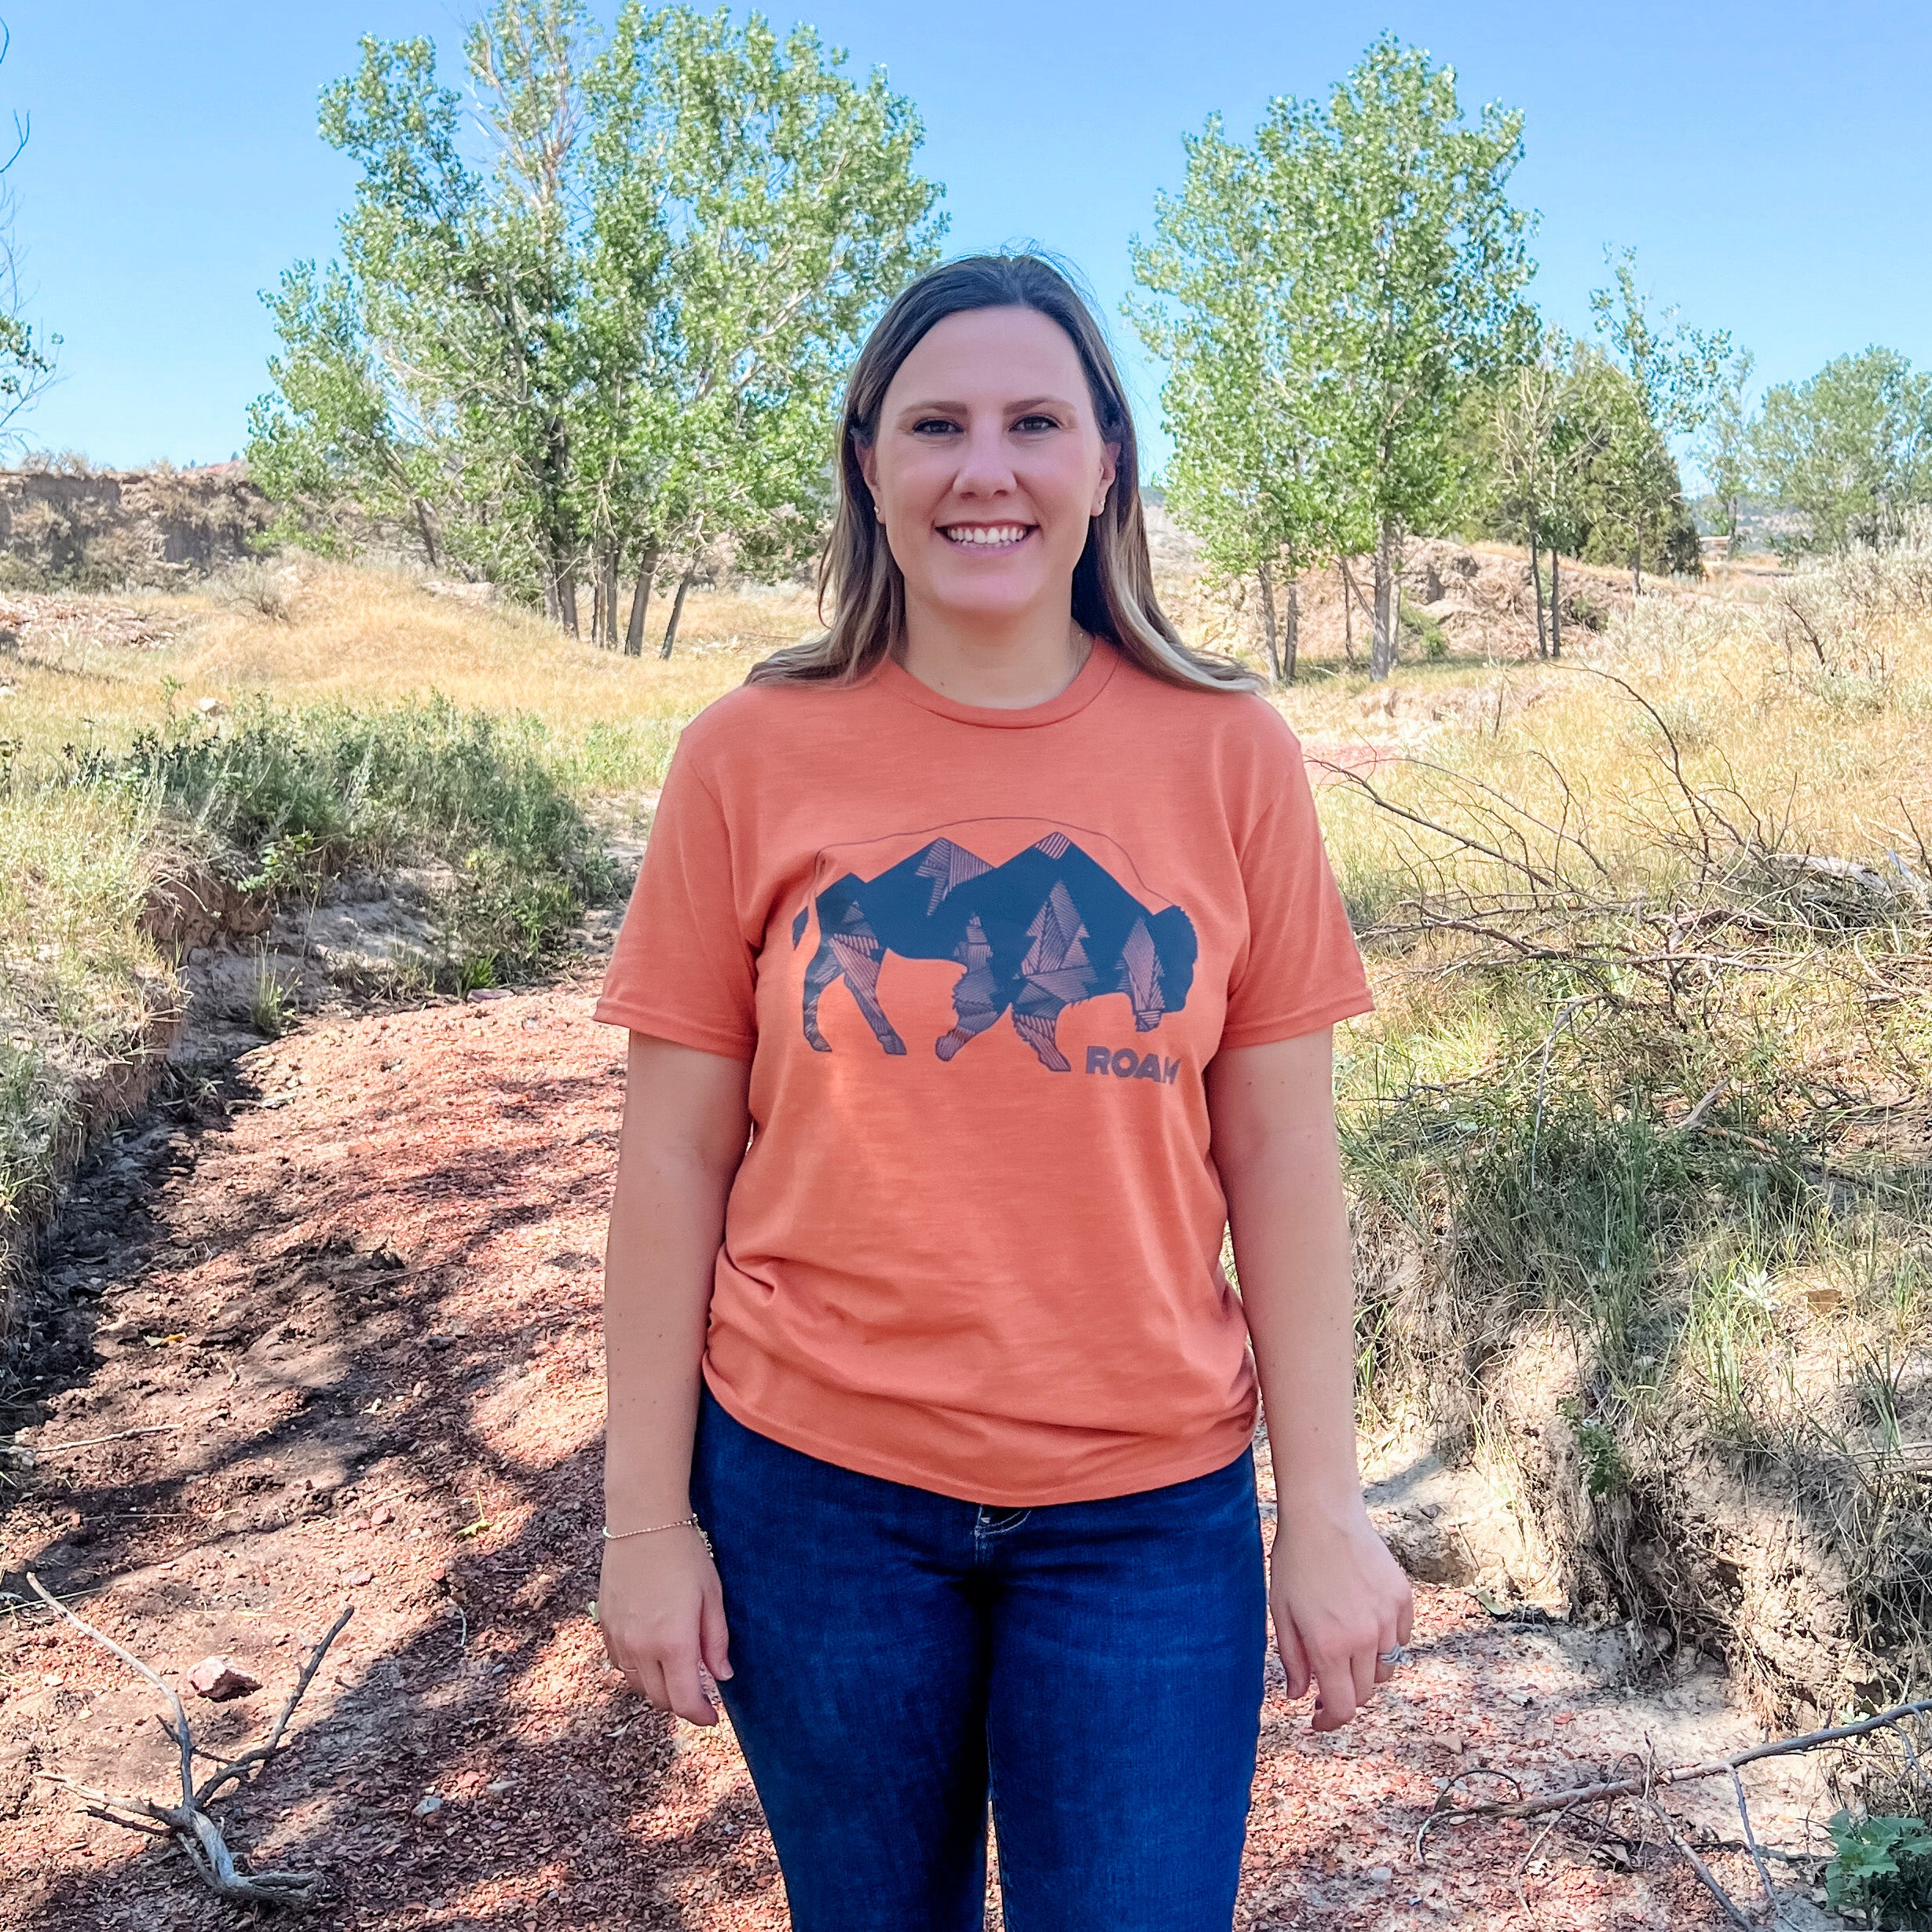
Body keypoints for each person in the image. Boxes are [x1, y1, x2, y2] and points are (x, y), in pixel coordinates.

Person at [592, 252, 1412, 1932]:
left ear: (1105, 459)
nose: (989, 469)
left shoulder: (1228, 755)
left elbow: (1280, 1155)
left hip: (1144, 1510)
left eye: (1035, 421)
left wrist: (1322, 1511)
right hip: (814, 1497)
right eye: (937, 424)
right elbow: (673, 1157)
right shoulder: (747, 755)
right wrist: (643, 1522)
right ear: (869, 464)